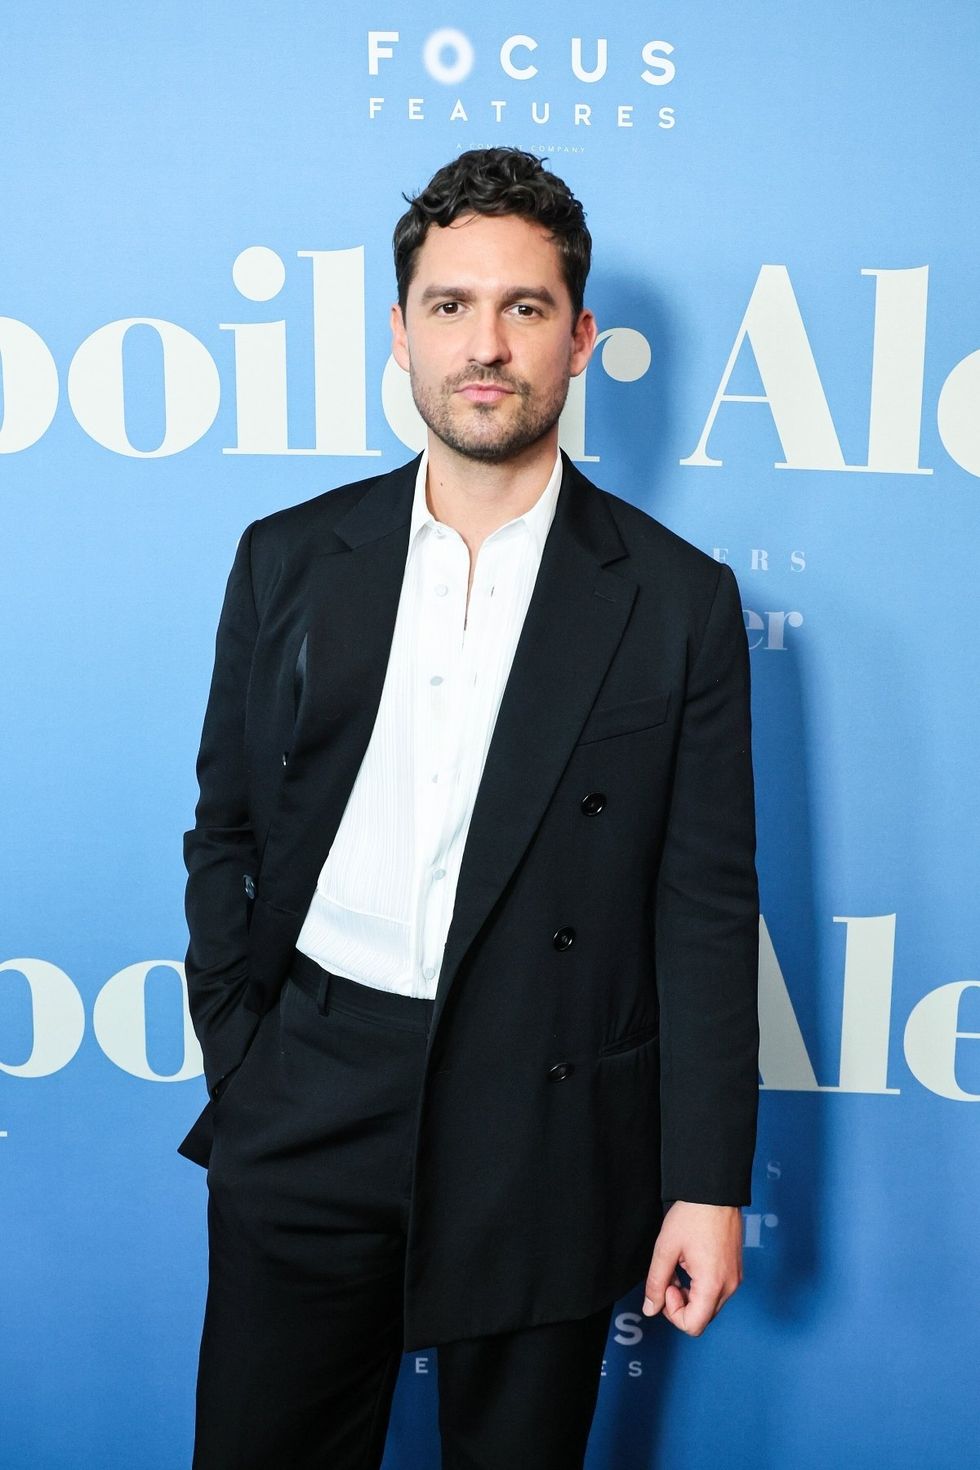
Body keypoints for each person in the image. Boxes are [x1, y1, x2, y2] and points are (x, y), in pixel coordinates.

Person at [179, 146, 760, 1469]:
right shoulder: (287, 557)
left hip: (547, 1109)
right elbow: (225, 828)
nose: (484, 344)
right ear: (401, 335)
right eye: (450, 306)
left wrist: (709, 1178)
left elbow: (708, 906)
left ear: (580, 338)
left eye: (524, 306)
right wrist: (245, 1058)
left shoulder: (675, 603)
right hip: (312, 1092)